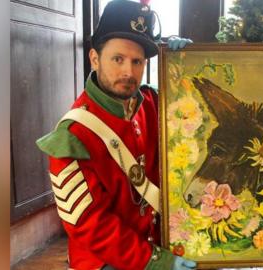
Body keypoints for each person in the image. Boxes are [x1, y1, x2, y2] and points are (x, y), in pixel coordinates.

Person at [36, 0, 195, 269]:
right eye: (118, 59)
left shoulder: (151, 103)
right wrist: (152, 261)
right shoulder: (72, 135)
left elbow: (192, 122)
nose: (128, 72)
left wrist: (187, 64)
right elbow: (89, 224)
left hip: (155, 243)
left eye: (137, 62)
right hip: (107, 261)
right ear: (95, 58)